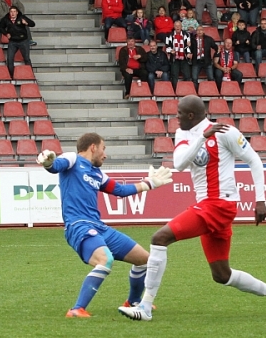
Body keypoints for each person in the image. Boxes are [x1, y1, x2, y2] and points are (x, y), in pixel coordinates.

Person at [120, 96, 266, 321]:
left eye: (179, 113)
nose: (176, 117)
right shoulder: (183, 134)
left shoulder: (225, 132)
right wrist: (202, 138)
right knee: (222, 274)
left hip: (219, 204)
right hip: (208, 206)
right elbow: (179, 164)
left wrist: (260, 199)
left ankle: (145, 307)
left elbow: (254, 160)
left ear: (191, 115)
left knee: (159, 238)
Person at [38, 133, 170, 318]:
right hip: (78, 226)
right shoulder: (73, 159)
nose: (105, 154)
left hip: (99, 226)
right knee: (105, 259)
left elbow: (120, 190)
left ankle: (133, 302)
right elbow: (56, 166)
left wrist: (150, 183)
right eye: (103, 148)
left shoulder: (97, 173)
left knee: (144, 260)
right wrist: (49, 163)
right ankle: (77, 309)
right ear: (93, 147)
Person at [0, 6, 35, 76]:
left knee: (26, 58)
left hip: (23, 41)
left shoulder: (22, 17)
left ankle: (31, 75)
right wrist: (6, 33)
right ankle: (11, 76)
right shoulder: (6, 19)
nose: (13, 13)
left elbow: (33, 24)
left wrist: (27, 23)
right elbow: (1, 27)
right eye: (11, 12)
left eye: (14, 11)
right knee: (9, 59)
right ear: (9, 12)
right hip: (13, 41)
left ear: (17, 12)